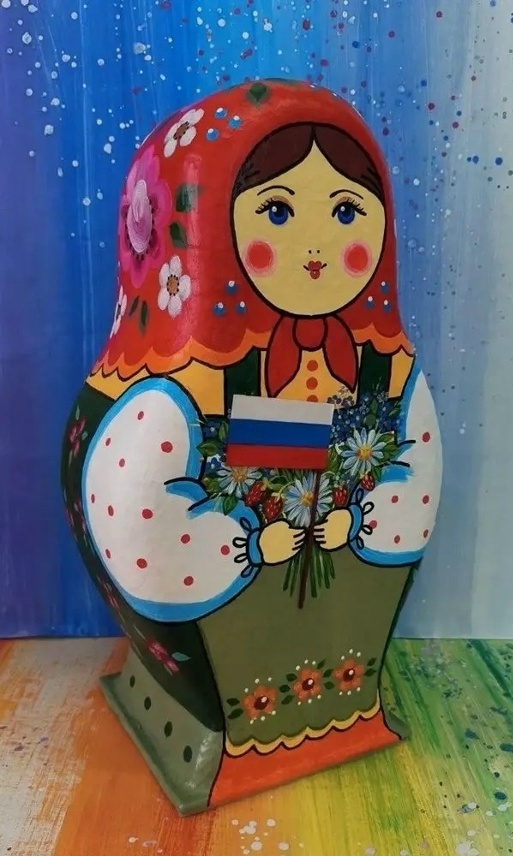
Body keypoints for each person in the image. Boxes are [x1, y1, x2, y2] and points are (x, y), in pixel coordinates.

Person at [62, 79, 442, 814]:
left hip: (332, 588)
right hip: (222, 589)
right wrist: (248, 538)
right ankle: (218, 719)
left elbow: (391, 467)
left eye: (345, 212)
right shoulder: (166, 400)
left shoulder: (381, 369)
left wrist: (352, 514)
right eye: (278, 212)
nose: (315, 248)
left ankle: (343, 702)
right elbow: (158, 504)